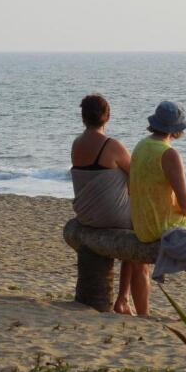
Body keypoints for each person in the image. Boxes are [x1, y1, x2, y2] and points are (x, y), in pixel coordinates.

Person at [129, 101, 186, 317]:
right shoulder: (169, 154)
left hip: (142, 225)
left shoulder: (140, 146)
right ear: (176, 129)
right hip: (164, 225)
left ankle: (143, 314)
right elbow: (185, 202)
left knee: (140, 263)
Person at [70, 94, 146, 315]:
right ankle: (123, 298)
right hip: (110, 216)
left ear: (83, 117)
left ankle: (123, 300)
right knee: (139, 233)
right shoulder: (112, 146)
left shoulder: (76, 144)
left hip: (85, 214)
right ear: (107, 116)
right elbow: (138, 175)